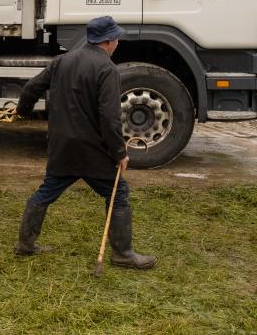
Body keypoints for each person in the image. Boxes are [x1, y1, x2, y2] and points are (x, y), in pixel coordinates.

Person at [13, 16, 156, 270]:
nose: (118, 41)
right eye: (117, 38)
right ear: (109, 41)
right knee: (118, 194)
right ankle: (123, 254)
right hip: (93, 152)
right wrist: (120, 153)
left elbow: (31, 88)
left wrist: (22, 112)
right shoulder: (107, 69)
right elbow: (110, 118)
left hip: (62, 148)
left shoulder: (62, 61)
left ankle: (25, 244)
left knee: (46, 193)